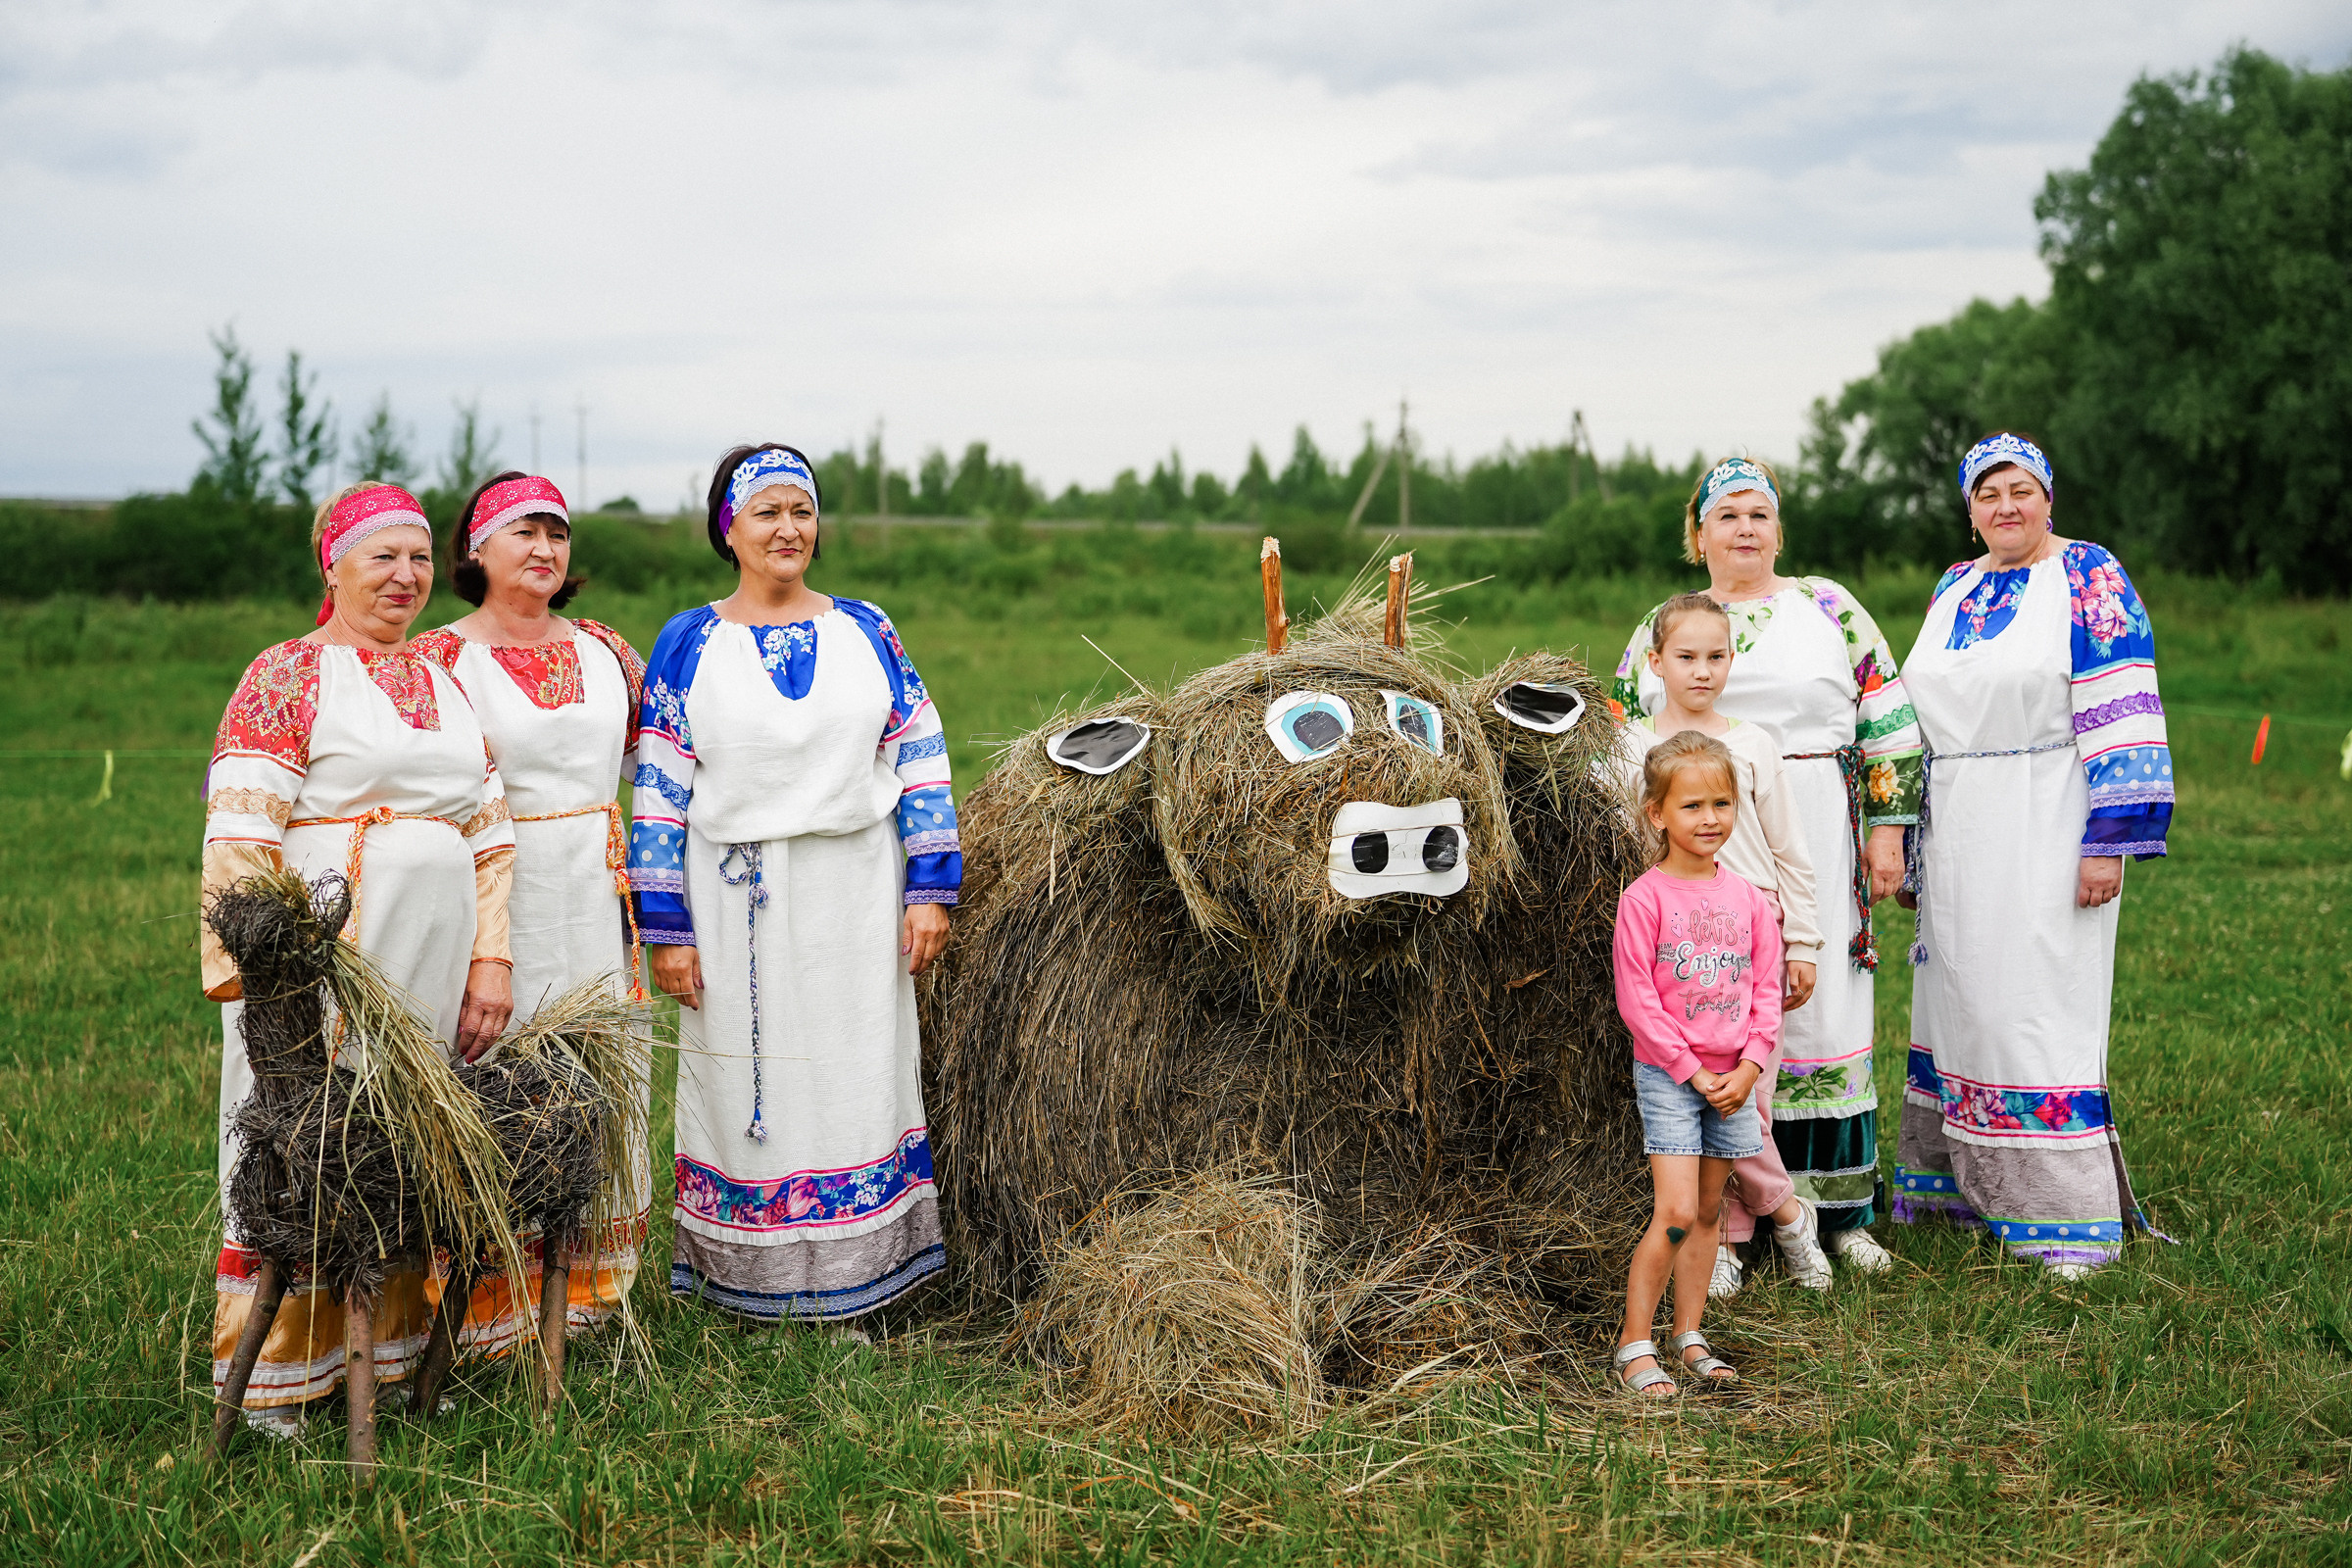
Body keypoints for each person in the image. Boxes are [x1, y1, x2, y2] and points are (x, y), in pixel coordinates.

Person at [202, 480, 515, 1435]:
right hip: (325, 960)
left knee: (403, 1142)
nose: (405, 576)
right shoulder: (288, 673)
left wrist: (491, 962)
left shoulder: (447, 677)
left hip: (431, 954)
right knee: (311, 1143)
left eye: (420, 558)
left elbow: (492, 833)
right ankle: (284, 1379)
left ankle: (391, 1357)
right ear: (332, 565)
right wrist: (267, 973)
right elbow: (242, 828)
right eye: (382, 556)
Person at [631, 443, 958, 1329]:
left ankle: (871, 1278)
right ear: (728, 529)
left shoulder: (868, 628)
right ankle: (752, 1289)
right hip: (735, 894)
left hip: (855, 886)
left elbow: (920, 755)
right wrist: (667, 928)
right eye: (767, 512)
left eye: (802, 512)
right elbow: (658, 789)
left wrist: (930, 886)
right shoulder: (689, 641)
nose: (788, 529)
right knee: (750, 1082)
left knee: (860, 1072)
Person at [1610, 458, 1920, 1277]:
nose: (1745, 528)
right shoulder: (1669, 622)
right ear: (1698, 534)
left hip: (1814, 822)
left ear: (1779, 530)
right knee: (1717, 1028)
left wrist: (1886, 832)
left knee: (1825, 1019)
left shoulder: (1828, 606)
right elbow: (1622, 740)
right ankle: (1734, 1227)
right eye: (1727, 516)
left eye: (1759, 514)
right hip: (1704, 851)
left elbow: (1887, 713)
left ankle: (1843, 1215)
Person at [1895, 432, 2172, 1278]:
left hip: (2049, 813)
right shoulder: (1955, 585)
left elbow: (2123, 701)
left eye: (2021, 490)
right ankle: (1960, 1192)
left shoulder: (2090, 576)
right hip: (1960, 828)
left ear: (2048, 495)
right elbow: (1918, 722)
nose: (2005, 507)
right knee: (1964, 1003)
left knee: (2037, 1004)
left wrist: (2109, 841)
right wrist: (1908, 836)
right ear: (1969, 509)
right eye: (1988, 494)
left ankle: (2063, 1221)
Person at [413, 471, 651, 1349]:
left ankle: (586, 1299)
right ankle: (482, 1302)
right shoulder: (440, 657)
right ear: (477, 551)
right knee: (496, 1075)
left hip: (594, 887)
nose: (545, 549)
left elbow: (656, 765)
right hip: (496, 895)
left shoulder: (606, 649)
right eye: (523, 533)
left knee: (598, 1076)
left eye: (557, 533)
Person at [1612, 593, 1834, 1295]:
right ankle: (1739, 1236)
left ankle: (1769, 1224)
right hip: (1672, 951)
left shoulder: (1753, 744)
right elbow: (1619, 839)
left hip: (1748, 941)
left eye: (1716, 657)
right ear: (1655, 662)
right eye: (1686, 657)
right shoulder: (1632, 746)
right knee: (1690, 1094)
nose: (1702, 671)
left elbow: (1790, 851)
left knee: (1747, 1100)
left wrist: (1801, 939)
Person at [1610, 731, 1785, 1399]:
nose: (1710, 818)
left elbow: (1766, 992)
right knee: (1678, 1209)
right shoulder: (1645, 899)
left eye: (1722, 803)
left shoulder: (1748, 900)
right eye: (1691, 806)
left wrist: (1749, 1066)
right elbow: (1639, 1001)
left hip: (1735, 1078)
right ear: (1658, 814)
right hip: (1671, 1077)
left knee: (1712, 1211)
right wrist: (1690, 1071)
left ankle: (1689, 1334)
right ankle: (1633, 1343)